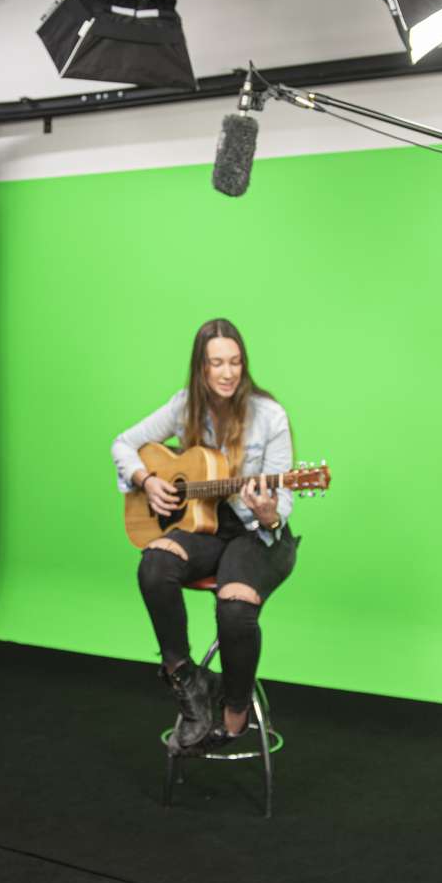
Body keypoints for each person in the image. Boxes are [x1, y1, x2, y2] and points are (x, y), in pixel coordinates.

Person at [113, 318, 300, 753]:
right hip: (205, 527)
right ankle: (187, 681)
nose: (228, 372)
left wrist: (267, 511)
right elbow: (123, 445)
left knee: (234, 608)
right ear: (201, 368)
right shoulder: (185, 407)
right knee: (155, 564)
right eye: (217, 363)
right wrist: (147, 480)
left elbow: (282, 502)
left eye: (235, 362)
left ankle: (234, 712)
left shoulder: (269, 415)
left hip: (257, 535)